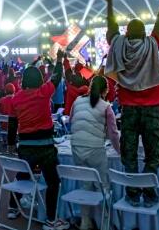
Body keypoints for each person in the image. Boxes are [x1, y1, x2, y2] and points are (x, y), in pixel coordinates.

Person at [101, 0, 159, 207]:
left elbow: (111, 28)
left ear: (126, 33)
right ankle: (149, 192)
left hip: (129, 110)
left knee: (129, 154)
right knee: (155, 154)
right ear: (144, 33)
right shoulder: (152, 44)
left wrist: (110, 3)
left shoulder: (119, 46)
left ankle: (132, 193)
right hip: (152, 110)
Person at [7, 49, 68, 230]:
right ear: (40, 80)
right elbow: (56, 77)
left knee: (22, 174)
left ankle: (12, 207)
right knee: (53, 182)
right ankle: (50, 219)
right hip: (46, 149)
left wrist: (11, 144)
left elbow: (12, 124)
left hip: (25, 147)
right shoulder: (43, 92)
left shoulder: (15, 98)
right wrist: (59, 60)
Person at [69, 76, 120, 230]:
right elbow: (113, 134)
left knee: (86, 184)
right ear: (106, 90)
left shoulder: (77, 101)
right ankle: (105, 223)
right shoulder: (106, 107)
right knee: (103, 187)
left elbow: (72, 120)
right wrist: (119, 150)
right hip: (95, 150)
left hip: (76, 147)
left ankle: (85, 221)